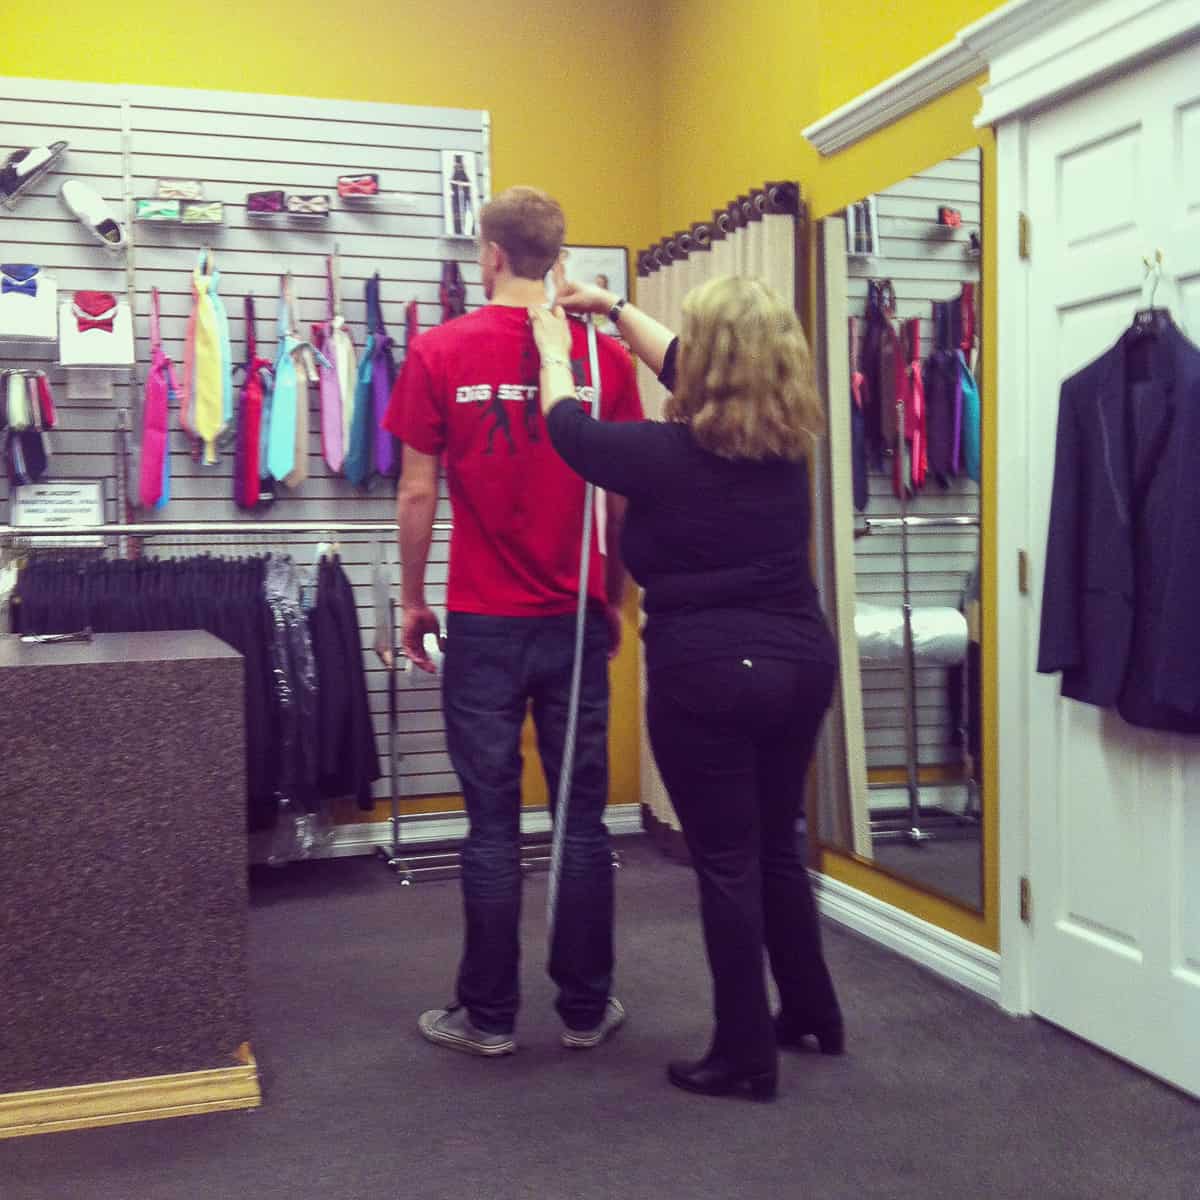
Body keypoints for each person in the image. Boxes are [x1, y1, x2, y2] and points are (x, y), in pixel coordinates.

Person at [529, 275, 843, 1101]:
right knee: (775, 843)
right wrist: (612, 307)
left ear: (712, 364)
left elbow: (569, 431)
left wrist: (555, 354)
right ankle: (810, 1009)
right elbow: (680, 363)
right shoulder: (785, 443)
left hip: (706, 674)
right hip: (800, 662)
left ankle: (744, 1056)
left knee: (728, 862)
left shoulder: (664, 454)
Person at [384, 186, 643, 1057]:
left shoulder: (439, 348)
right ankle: (584, 1009)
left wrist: (412, 598)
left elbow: (417, 489)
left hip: (486, 622)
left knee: (491, 820)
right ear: (555, 258)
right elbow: (623, 486)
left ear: (490, 254)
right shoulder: (600, 357)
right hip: (573, 618)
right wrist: (615, 596)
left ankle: (489, 1018)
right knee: (579, 818)